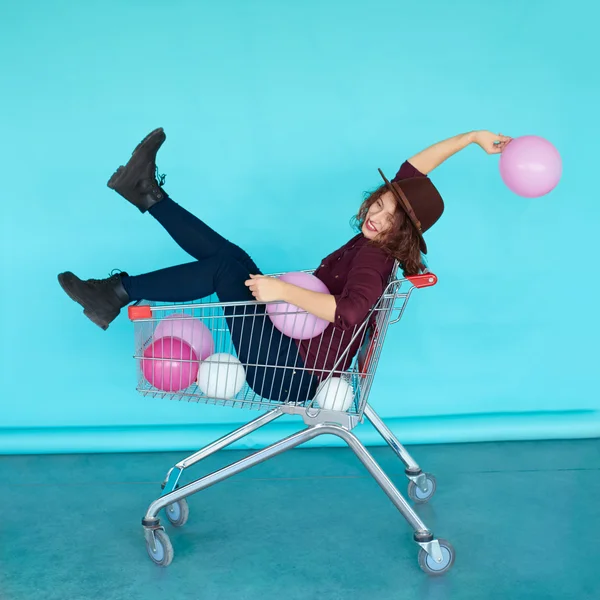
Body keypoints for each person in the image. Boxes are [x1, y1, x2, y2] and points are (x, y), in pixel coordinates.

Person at [58, 128, 511, 402]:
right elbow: (412, 169)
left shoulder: (376, 254)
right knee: (233, 260)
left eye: (391, 216)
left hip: (289, 371)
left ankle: (117, 290)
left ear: (403, 233)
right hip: (287, 352)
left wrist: (281, 292)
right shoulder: (374, 237)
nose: (377, 214)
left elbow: (352, 311)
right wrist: (470, 138)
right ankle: (145, 198)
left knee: (223, 269)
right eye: (382, 202)